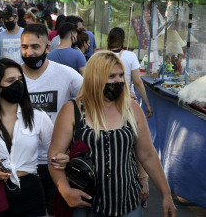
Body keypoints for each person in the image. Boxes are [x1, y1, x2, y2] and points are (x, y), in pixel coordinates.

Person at [48, 51, 176, 217]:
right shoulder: (73, 110)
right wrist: (66, 192)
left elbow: (148, 154)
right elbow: (53, 156)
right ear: (95, 78)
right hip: (86, 206)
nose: (119, 81)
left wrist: (166, 195)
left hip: (127, 204)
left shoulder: (132, 109)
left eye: (121, 75)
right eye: (112, 76)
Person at [0, 58, 54, 216]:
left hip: (31, 191)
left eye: (20, 80)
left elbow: (55, 150)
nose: (18, 85)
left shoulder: (38, 116)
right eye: (11, 80)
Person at [21, 23, 83, 217]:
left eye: (35, 47)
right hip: (22, 163)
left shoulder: (67, 75)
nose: (29, 52)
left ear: (48, 48)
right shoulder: (12, 76)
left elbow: (91, 102)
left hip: (56, 163)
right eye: (24, 47)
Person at [108, 27, 153, 117]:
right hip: (126, 101)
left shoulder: (100, 56)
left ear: (108, 40)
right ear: (123, 41)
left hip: (106, 100)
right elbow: (137, 82)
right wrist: (147, 104)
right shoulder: (130, 56)